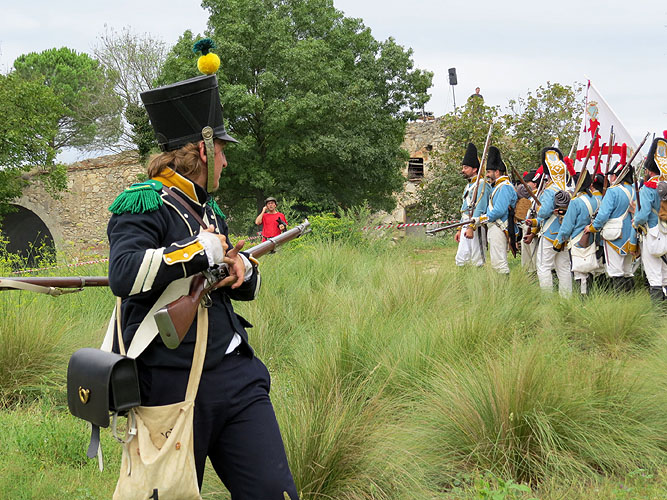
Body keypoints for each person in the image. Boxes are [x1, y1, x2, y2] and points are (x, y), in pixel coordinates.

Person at [106, 73, 299, 499]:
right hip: (171, 381)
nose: (225, 162)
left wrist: (241, 268)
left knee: (273, 491)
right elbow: (123, 273)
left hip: (237, 374)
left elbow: (231, 280)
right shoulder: (142, 202)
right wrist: (199, 250)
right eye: (222, 151)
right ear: (202, 150)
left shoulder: (208, 209)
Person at [583, 160, 637, 292]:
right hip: (632, 235)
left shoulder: (613, 191)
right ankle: (630, 298)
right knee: (627, 270)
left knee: (615, 270)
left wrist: (592, 227)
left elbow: (603, 215)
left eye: (612, 174)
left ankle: (619, 301)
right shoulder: (635, 190)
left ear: (618, 175)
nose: (611, 177)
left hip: (615, 234)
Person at [529, 147, 572, 296]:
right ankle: (566, 298)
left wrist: (538, 209)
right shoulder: (568, 189)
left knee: (543, 266)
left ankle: (547, 298)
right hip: (564, 233)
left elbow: (544, 211)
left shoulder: (550, 190)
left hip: (550, 232)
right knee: (564, 267)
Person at [552, 170, 600, 295]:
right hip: (592, 239)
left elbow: (567, 227)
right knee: (589, 269)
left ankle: (582, 300)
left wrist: (559, 241)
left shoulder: (575, 202)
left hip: (578, 240)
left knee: (580, 272)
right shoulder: (596, 200)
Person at [632, 136, 667, 301]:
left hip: (653, 234)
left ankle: (657, 312)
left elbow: (643, 214)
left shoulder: (648, 188)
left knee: (654, 276)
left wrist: (635, 221)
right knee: (665, 275)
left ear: (649, 170)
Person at [473, 146, 517, 274]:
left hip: (500, 226)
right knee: (496, 261)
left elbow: (499, 211)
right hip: (495, 226)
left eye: (488, 172)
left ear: (497, 172)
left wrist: (481, 219)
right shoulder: (498, 187)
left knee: (499, 262)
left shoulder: (504, 187)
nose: (487, 175)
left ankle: (503, 286)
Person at [454, 143, 490, 267]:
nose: (463, 170)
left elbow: (480, 207)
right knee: (461, 258)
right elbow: (464, 209)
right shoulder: (468, 186)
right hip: (466, 224)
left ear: (474, 169)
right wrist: (460, 229)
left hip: (476, 225)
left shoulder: (482, 184)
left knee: (477, 259)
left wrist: (471, 226)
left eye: (466, 167)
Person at [516, 169, 541, 273]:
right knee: (527, 258)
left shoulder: (538, 197)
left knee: (535, 258)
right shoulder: (530, 198)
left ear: (534, 184)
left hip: (534, 230)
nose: (525, 185)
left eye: (527, 182)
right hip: (526, 228)